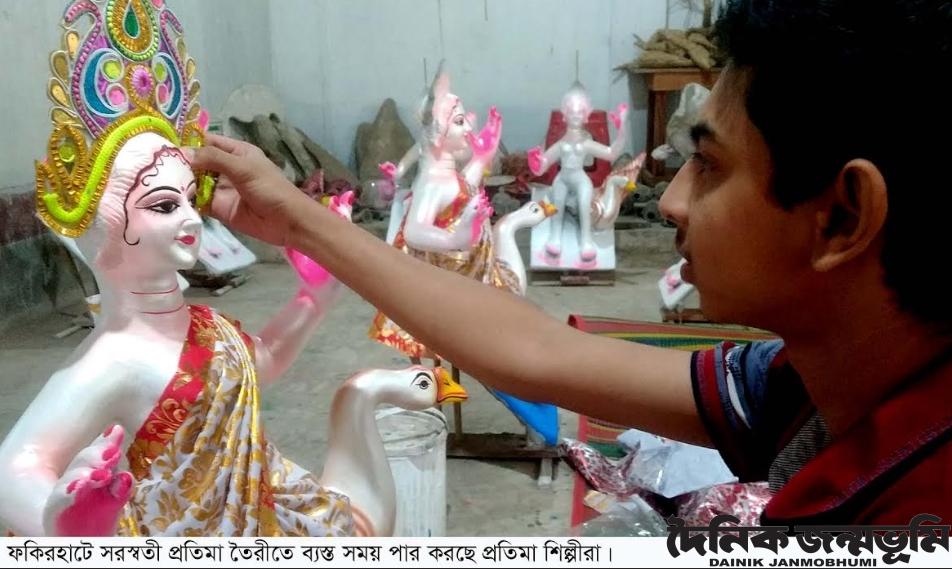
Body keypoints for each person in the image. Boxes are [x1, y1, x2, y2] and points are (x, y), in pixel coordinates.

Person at [190, 0, 952, 524]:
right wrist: (301, 222)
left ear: (842, 218)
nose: (673, 201)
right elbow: (540, 351)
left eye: (710, 166)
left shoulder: (915, 505)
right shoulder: (812, 381)